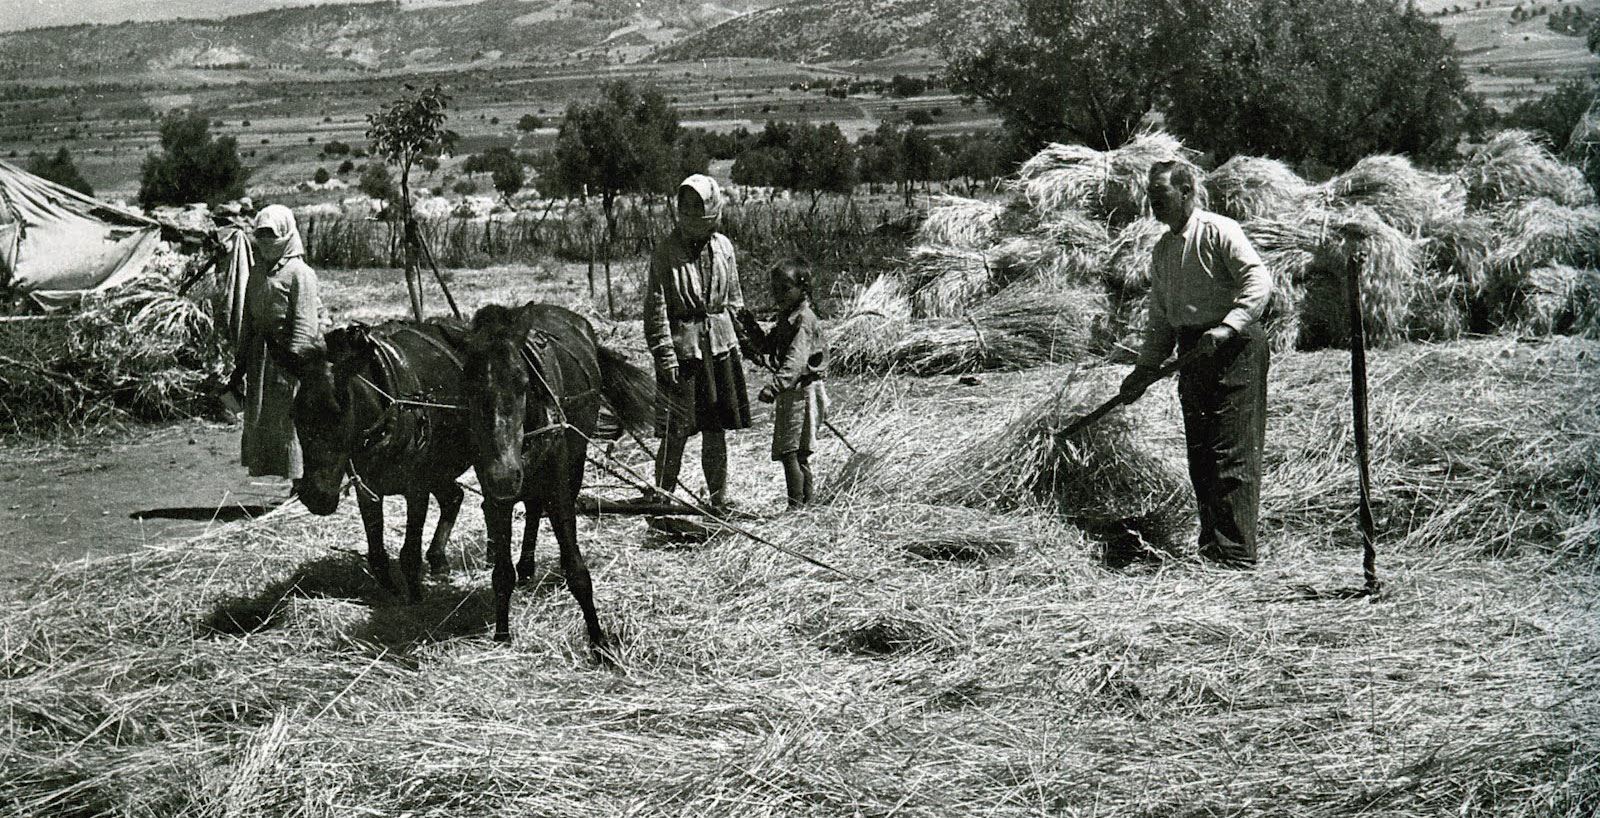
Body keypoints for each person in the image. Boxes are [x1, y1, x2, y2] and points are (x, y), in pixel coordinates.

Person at [1118, 161, 1272, 568]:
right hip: (1193, 351)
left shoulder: (1219, 231)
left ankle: (1237, 556)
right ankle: (1213, 549)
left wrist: (1228, 326)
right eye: (1151, 199)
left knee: (1230, 452)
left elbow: (1259, 282)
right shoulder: (1164, 250)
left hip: (1234, 347)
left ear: (1186, 191)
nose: (1154, 206)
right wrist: (1143, 372)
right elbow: (1161, 321)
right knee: (1201, 454)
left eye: (1162, 197)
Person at [643, 174, 752, 510]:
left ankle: (718, 501)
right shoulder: (666, 252)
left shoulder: (724, 248)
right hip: (684, 353)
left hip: (719, 348)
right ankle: (661, 501)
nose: (691, 212)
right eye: (685, 205)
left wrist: (749, 342)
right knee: (675, 433)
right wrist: (667, 357)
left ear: (712, 206)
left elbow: (735, 300)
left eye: (698, 205)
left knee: (715, 429)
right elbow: (656, 311)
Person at [227, 204, 324, 480]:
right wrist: (241, 361)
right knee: (262, 418)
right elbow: (248, 319)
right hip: (261, 359)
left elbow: (305, 323)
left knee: (290, 419)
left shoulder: (299, 273)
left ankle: (301, 482)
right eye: (262, 235)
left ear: (287, 234)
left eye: (273, 235)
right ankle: (277, 473)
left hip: (288, 357)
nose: (268, 242)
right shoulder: (257, 273)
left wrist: (296, 363)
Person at [739, 259, 829, 509]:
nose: (778, 295)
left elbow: (795, 361)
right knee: (797, 453)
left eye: (785, 289)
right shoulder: (788, 317)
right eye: (775, 289)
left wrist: (774, 387)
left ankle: (796, 507)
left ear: (803, 288)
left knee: (790, 452)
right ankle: (806, 504)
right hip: (795, 391)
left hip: (800, 392)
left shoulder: (804, 321)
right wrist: (750, 327)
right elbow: (769, 346)